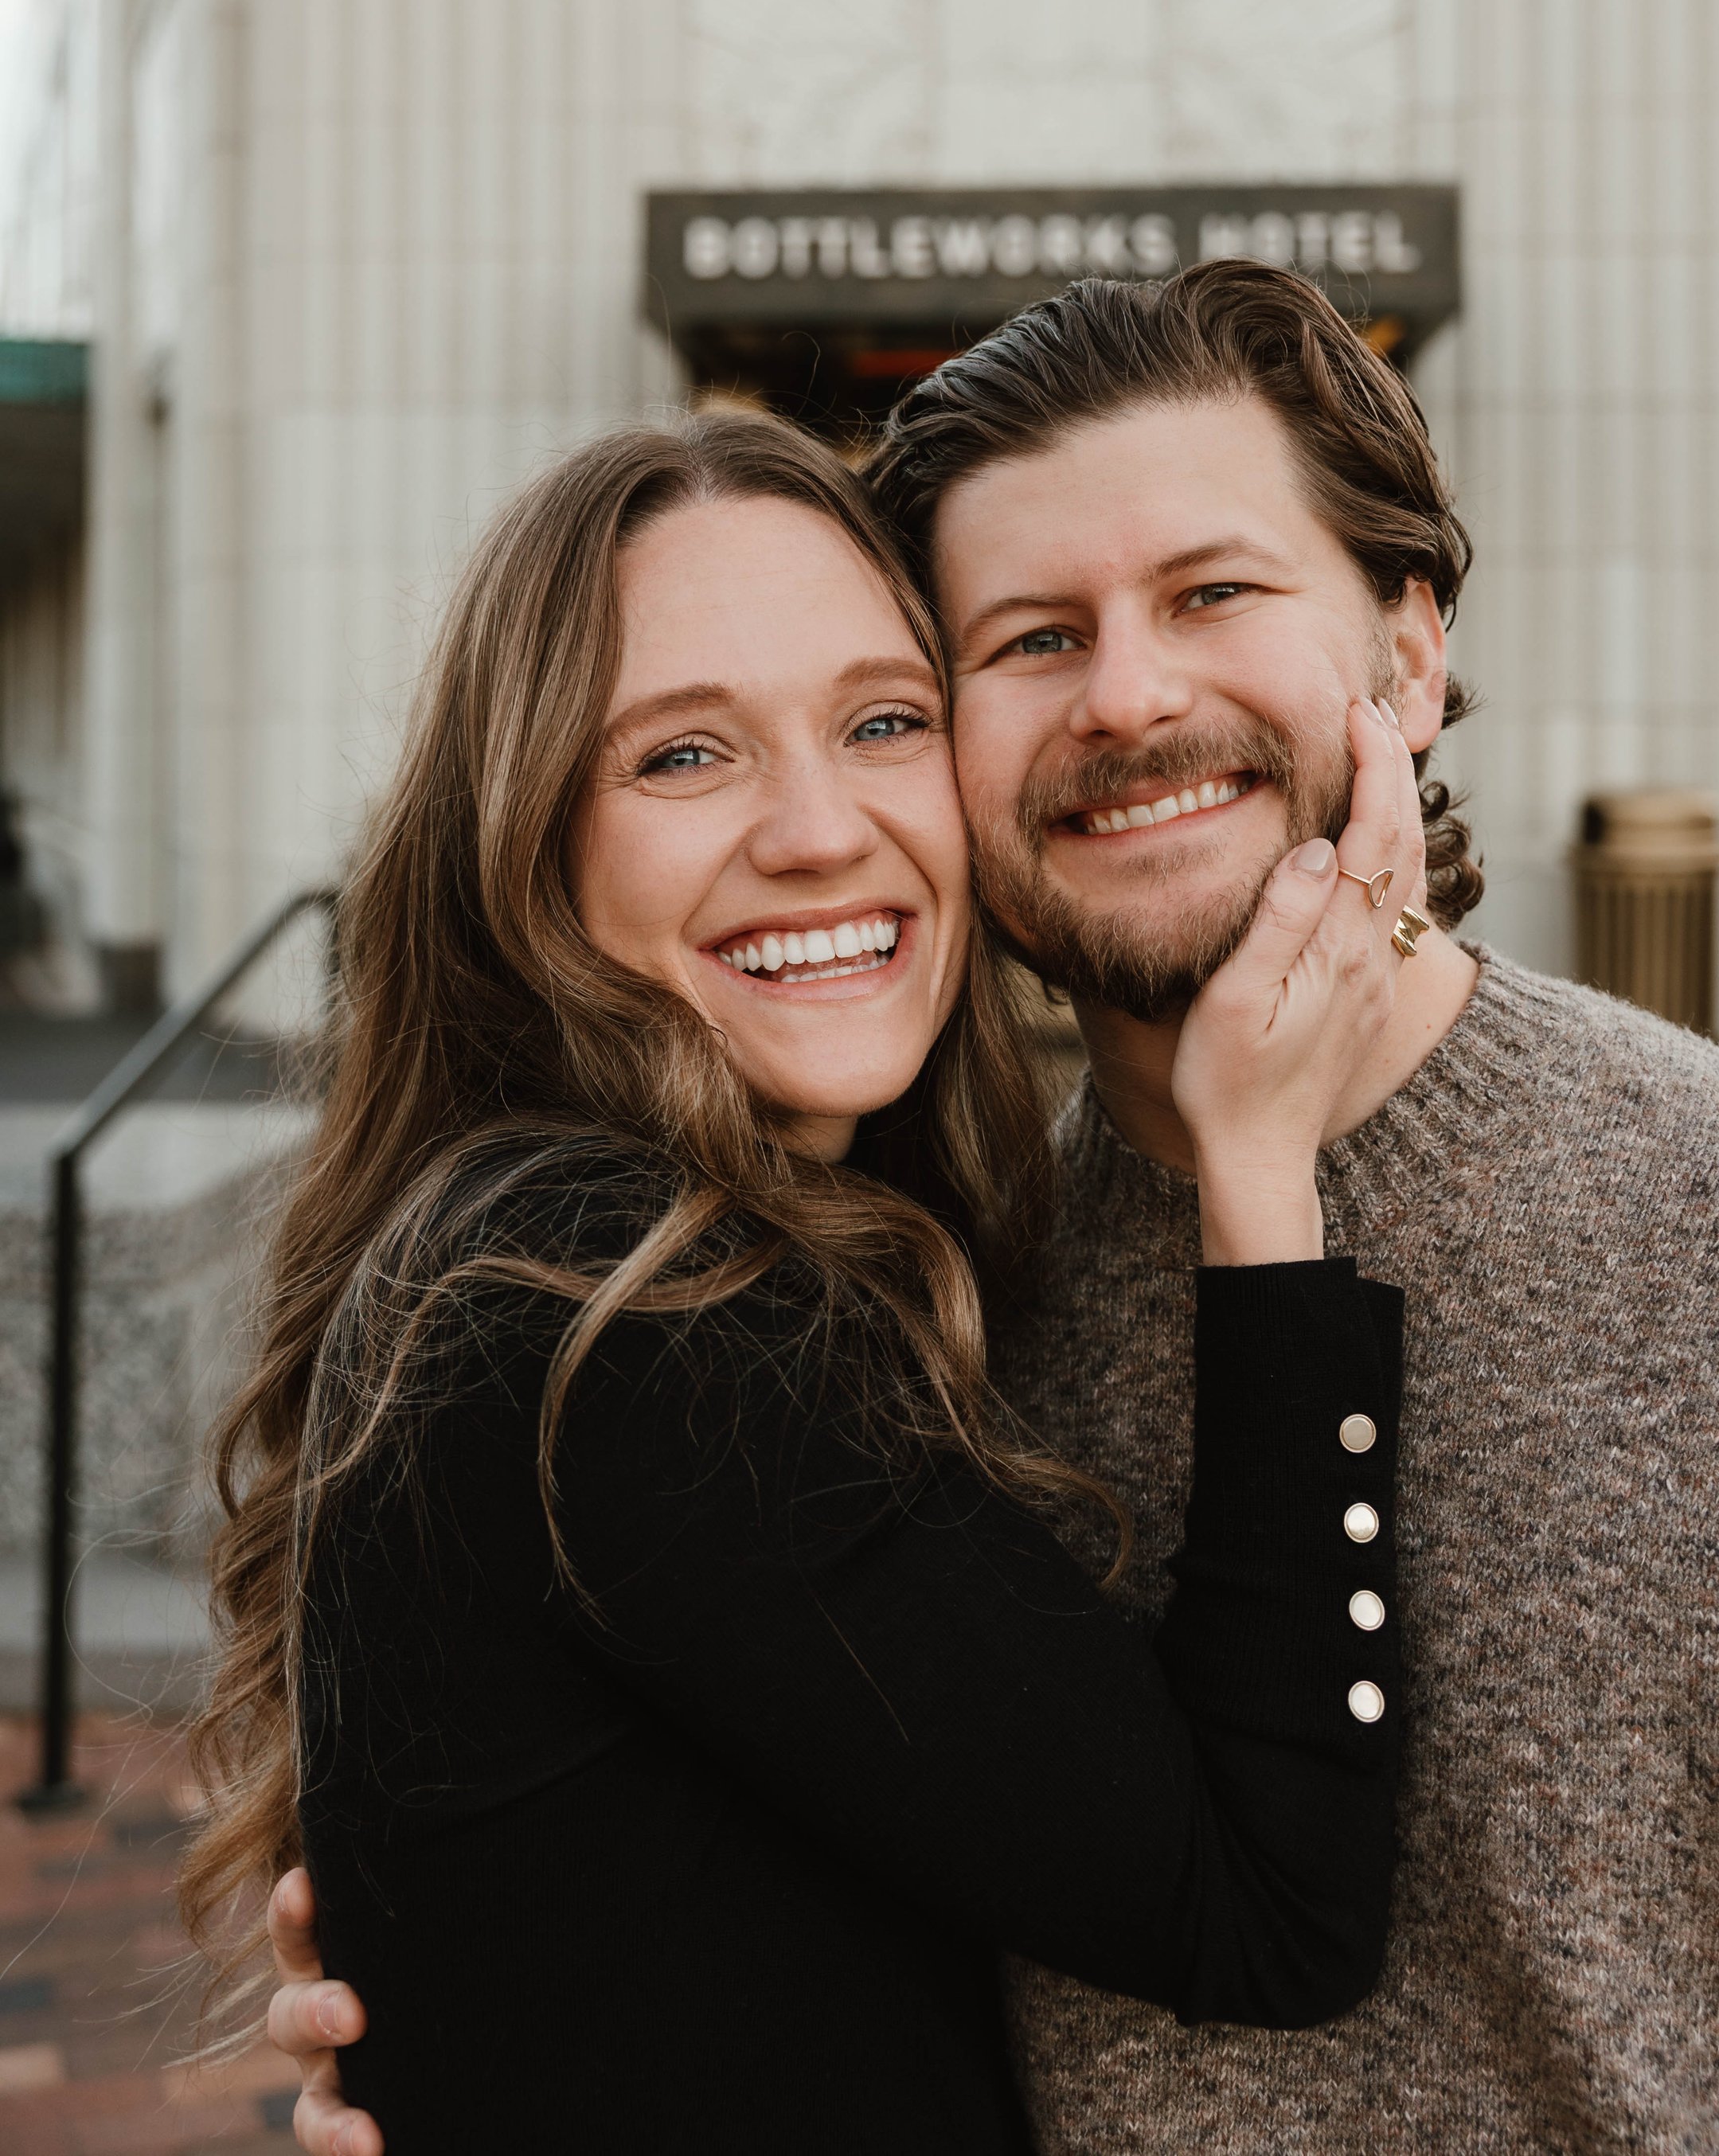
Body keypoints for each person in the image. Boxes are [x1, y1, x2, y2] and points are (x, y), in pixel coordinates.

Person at [272, 263, 1719, 2153]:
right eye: (1023, 640)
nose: (1130, 694)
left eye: (1210, 592)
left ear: (1406, 656)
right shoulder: (902, 1292)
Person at [187, 404, 1428, 2156]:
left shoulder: (615, 1249)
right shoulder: (603, 1310)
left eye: (882, 722)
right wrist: (1256, 1166)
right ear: (528, 845)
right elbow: (1265, 1899)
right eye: (684, 758)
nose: (820, 829)